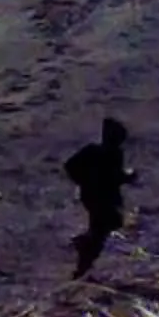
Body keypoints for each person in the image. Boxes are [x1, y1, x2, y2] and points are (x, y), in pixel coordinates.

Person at [64, 117, 133, 278]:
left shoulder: (108, 153)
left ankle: (86, 258)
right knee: (104, 226)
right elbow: (71, 167)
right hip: (99, 197)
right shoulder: (99, 153)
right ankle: (84, 264)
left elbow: (114, 176)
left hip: (97, 196)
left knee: (103, 225)